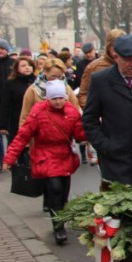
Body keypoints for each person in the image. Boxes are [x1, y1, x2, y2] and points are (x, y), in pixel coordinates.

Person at [2, 80, 86, 245]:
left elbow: (80, 134)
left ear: (65, 97)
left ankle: (61, 217)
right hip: (45, 154)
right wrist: (9, 158)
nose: (58, 101)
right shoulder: (38, 111)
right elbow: (23, 136)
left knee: (63, 193)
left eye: (61, 98)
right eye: (54, 98)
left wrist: (90, 129)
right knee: (54, 189)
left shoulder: (72, 111)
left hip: (65, 155)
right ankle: (58, 228)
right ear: (48, 98)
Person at [82, 34, 132, 189]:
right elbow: (89, 119)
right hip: (115, 162)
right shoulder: (101, 80)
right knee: (117, 210)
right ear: (116, 57)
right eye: (128, 60)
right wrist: (105, 145)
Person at [20, 57, 79, 126]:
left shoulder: (67, 88)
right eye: (53, 77)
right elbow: (25, 117)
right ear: (45, 73)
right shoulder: (33, 90)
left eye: (60, 77)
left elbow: (76, 111)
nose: (56, 80)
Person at [77, 29, 126, 109]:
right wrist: (94, 113)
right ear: (108, 47)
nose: (118, 50)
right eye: (114, 46)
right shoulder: (94, 67)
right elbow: (83, 94)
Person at [0, 55, 35, 144]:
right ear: (17, 68)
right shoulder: (11, 83)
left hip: (35, 120)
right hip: (17, 119)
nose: (27, 68)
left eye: (29, 65)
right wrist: (3, 125)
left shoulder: (37, 82)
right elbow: (5, 104)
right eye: (23, 66)